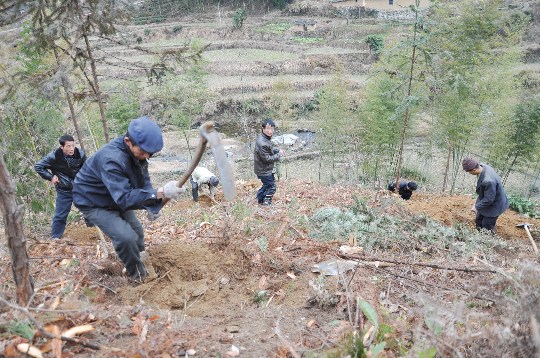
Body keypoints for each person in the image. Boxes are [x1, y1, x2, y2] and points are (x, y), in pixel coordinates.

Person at [73, 116, 185, 282]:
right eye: (143, 151)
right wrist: (160, 192)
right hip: (92, 201)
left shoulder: (139, 154)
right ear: (127, 141)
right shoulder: (112, 160)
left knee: (137, 231)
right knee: (126, 237)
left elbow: (143, 181)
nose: (146, 155)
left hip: (114, 195)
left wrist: (152, 205)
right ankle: (138, 276)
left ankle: (142, 262)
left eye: (150, 153)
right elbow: (124, 199)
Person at [35, 134, 86, 240]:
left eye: (73, 145)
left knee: (89, 208)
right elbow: (38, 166)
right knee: (60, 214)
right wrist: (50, 177)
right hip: (64, 189)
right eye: (68, 146)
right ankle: (55, 238)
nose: (71, 148)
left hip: (80, 188)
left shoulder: (80, 154)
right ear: (61, 147)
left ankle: (92, 232)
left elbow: (88, 167)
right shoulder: (54, 156)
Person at [462, 157, 509, 233]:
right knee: (478, 220)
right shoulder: (483, 166)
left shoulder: (488, 181)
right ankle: (478, 235)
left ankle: (488, 240)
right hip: (490, 197)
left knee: (487, 225)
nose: (469, 174)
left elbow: (489, 199)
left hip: (496, 204)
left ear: (474, 170)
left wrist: (476, 206)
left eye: (469, 172)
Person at [254, 119, 284, 206]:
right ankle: (267, 203)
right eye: (268, 129)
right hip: (264, 170)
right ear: (263, 128)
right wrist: (279, 155)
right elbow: (267, 159)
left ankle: (260, 199)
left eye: (272, 129)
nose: (270, 131)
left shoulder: (264, 137)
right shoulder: (262, 142)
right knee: (272, 187)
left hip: (262, 169)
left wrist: (277, 150)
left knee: (266, 185)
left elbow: (268, 150)